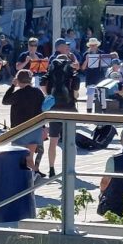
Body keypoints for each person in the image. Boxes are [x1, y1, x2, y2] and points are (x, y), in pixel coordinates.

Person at [42, 38, 80, 177]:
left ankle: (51, 169)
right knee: (70, 141)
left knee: (53, 141)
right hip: (69, 107)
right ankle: (70, 168)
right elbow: (75, 90)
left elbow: (42, 83)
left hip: (54, 108)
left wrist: (48, 95)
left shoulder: (51, 71)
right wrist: (74, 97)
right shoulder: (72, 74)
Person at [2, 69, 46, 175]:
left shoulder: (18, 93)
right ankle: (35, 172)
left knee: (19, 157)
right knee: (29, 157)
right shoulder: (38, 92)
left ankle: (27, 175)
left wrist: (12, 86)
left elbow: (5, 101)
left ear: (18, 80)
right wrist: (43, 127)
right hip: (35, 129)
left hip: (20, 130)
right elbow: (42, 110)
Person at [81, 36, 105, 113]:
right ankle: (89, 112)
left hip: (100, 77)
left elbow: (105, 65)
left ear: (97, 45)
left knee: (102, 95)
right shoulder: (86, 54)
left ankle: (104, 111)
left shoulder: (101, 53)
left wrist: (101, 61)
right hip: (90, 77)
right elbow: (82, 68)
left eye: (94, 45)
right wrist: (87, 60)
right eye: (91, 45)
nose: (93, 47)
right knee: (90, 96)